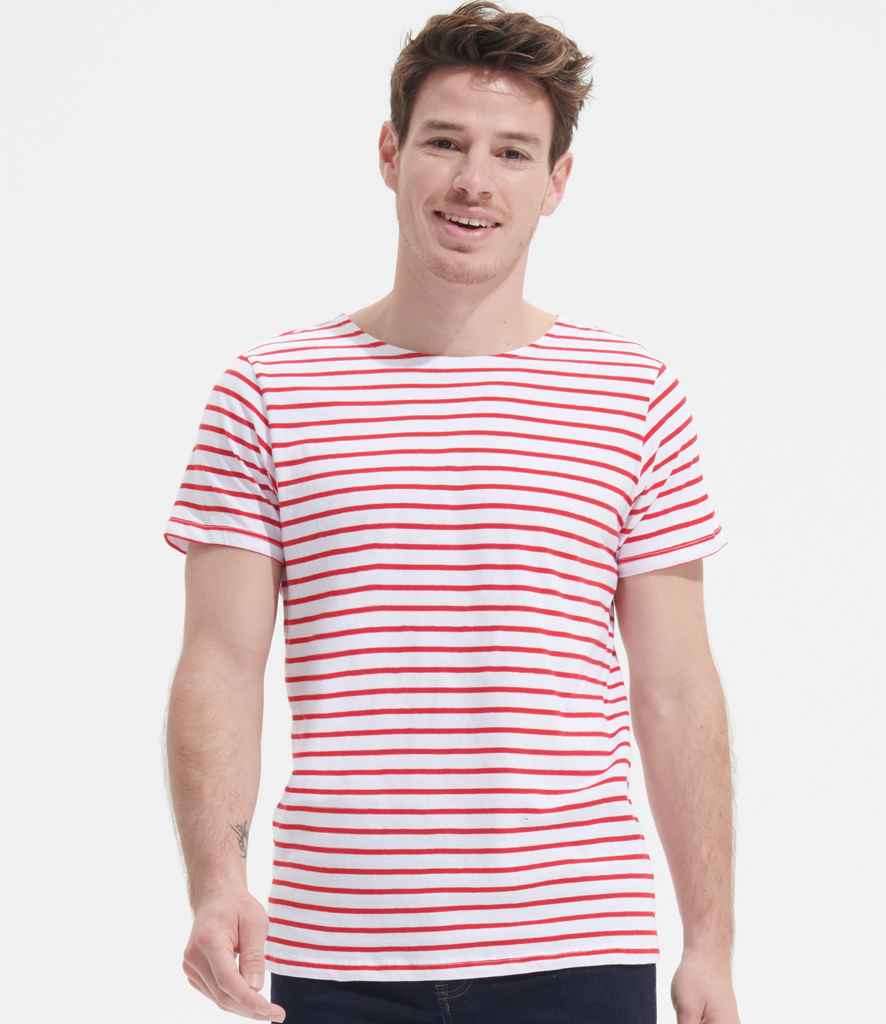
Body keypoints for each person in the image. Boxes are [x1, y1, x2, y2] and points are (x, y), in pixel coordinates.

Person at [162, 3, 740, 1022]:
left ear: (556, 181)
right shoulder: (268, 391)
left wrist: (710, 945)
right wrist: (216, 883)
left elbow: (677, 687)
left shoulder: (632, 394)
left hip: (576, 939)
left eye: (513, 152)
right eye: (445, 142)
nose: (475, 180)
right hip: (337, 945)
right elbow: (219, 663)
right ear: (390, 154)